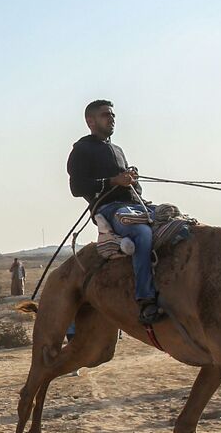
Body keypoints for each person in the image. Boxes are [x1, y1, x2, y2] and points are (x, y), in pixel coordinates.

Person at [67, 99, 163, 324]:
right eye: (105, 115)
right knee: (142, 234)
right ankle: (145, 299)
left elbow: (132, 188)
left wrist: (132, 180)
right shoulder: (82, 149)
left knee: (178, 223)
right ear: (90, 121)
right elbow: (77, 187)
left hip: (137, 205)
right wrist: (113, 181)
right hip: (111, 209)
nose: (111, 119)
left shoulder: (117, 150)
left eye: (112, 115)